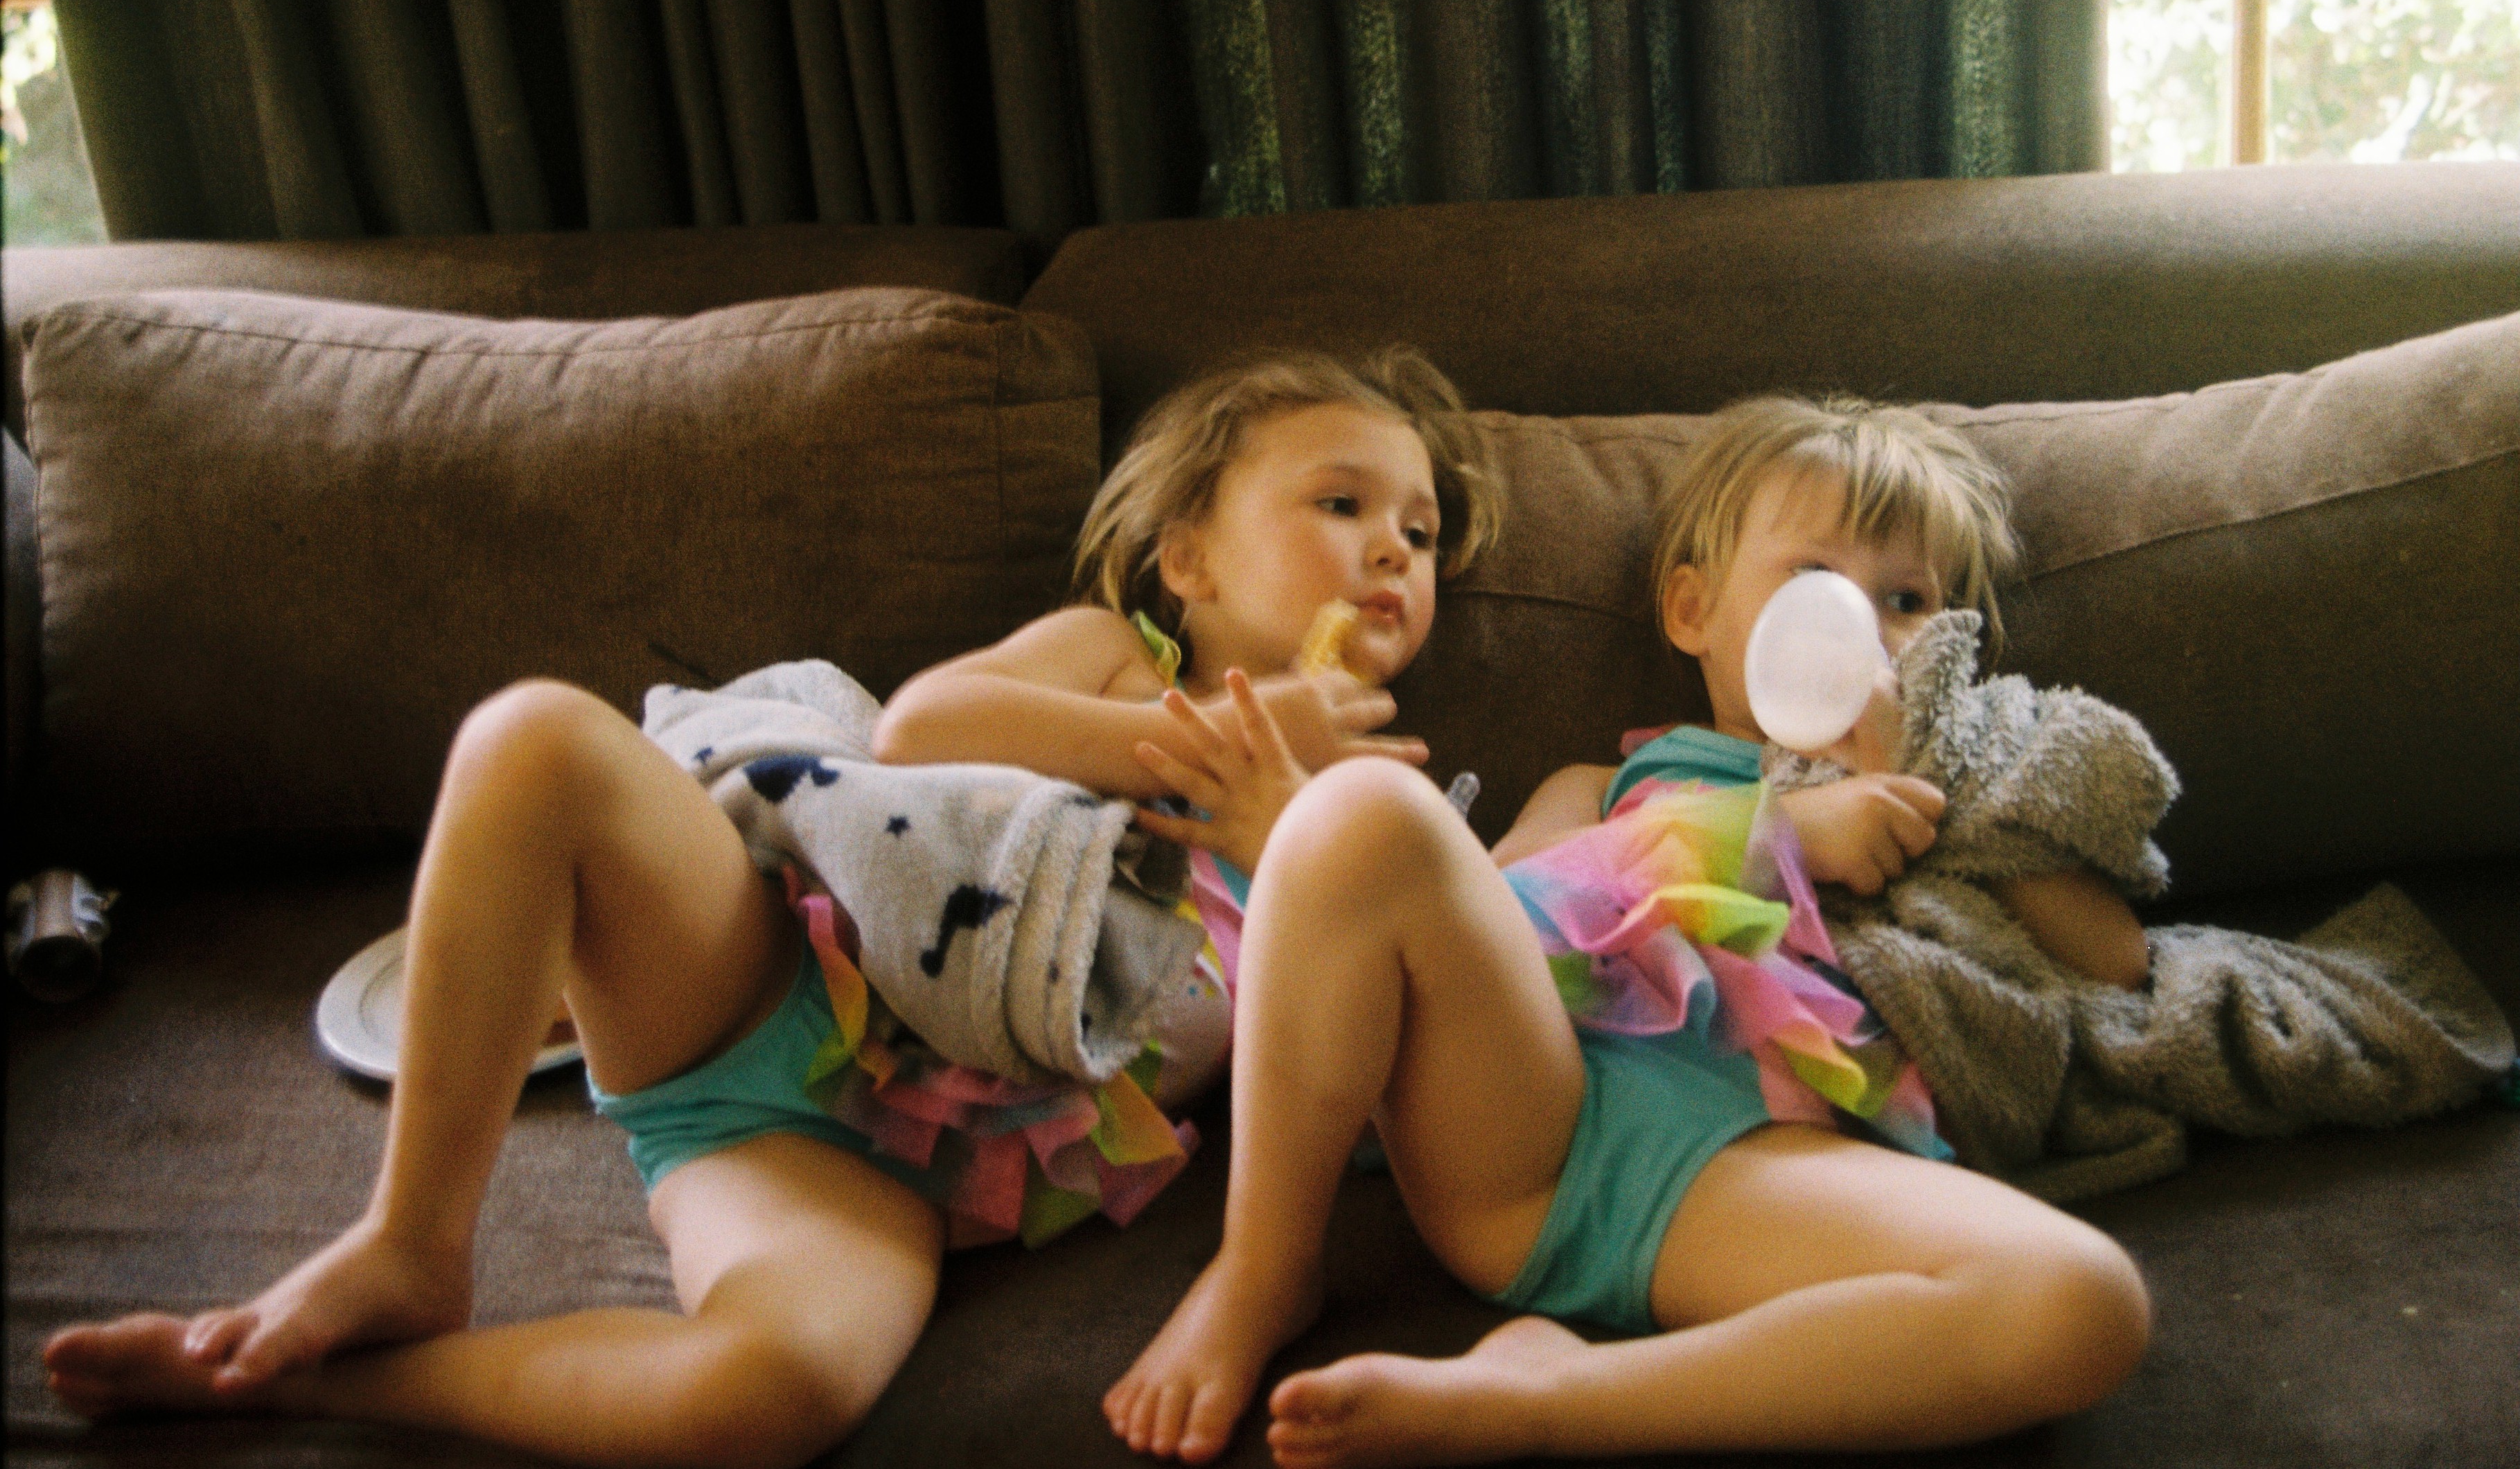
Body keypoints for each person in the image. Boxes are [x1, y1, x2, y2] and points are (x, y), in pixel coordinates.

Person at [42, 349, 1499, 1469]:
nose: (1394, 547)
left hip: (885, 1175)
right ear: (1186, 556)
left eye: (1423, 530)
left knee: (772, 1392)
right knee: (533, 736)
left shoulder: (1378, 813)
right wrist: (1209, 742)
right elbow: (925, 728)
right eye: (1341, 502)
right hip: (763, 987)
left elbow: (1369, 1044)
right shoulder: (1117, 657)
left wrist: (1299, 807)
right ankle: (411, 1238)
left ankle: (311, 1374)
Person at [1104, 394, 2154, 1468]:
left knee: (2081, 1300)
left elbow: (2115, 966)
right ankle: (1262, 1265)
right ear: (1692, 610)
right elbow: (1498, 914)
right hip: (1536, 1125)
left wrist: (1949, 789)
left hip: (1752, 1173)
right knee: (1364, 812)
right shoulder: (1606, 783)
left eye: (1905, 600)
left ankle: (1558, 1395)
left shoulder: (1949, 791)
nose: (1862, 626)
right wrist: (1772, 832)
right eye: (1813, 583)